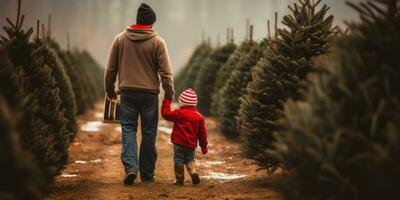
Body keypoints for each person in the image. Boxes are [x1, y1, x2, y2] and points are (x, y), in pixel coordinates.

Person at [104, 3, 174, 185]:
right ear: (151, 23)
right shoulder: (158, 41)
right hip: (150, 95)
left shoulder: (120, 39)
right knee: (149, 133)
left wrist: (110, 89)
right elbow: (166, 73)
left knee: (128, 129)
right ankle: (148, 174)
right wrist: (169, 94)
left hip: (127, 92)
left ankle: (131, 169)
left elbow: (110, 69)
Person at [161, 88, 208, 186]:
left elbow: (166, 114)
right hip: (191, 145)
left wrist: (167, 101)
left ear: (181, 102)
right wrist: (204, 146)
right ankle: (193, 172)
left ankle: (179, 180)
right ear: (194, 103)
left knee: (178, 160)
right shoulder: (199, 117)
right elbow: (202, 134)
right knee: (190, 160)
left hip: (179, 144)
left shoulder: (179, 113)